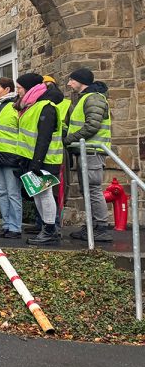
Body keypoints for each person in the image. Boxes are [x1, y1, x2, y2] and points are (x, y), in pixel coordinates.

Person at [13, 73, 66, 245]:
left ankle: (49, 230)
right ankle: (47, 228)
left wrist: (36, 162)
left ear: (29, 88)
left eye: (19, 88)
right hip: (33, 158)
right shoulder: (32, 105)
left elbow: (44, 137)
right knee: (38, 194)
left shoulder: (45, 107)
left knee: (45, 194)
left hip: (45, 159)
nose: (17, 91)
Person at [62, 67, 113, 243]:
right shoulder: (86, 98)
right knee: (87, 190)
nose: (69, 83)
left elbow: (92, 126)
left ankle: (101, 227)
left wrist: (69, 139)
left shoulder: (93, 98)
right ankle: (92, 226)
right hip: (85, 151)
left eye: (72, 80)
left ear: (81, 81)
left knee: (92, 189)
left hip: (92, 151)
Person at [0, 77, 23, 238]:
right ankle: (6, 225)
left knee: (13, 193)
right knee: (1, 192)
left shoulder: (16, 106)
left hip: (11, 155)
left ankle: (15, 227)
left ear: (7, 89)